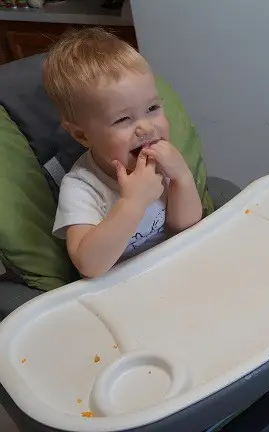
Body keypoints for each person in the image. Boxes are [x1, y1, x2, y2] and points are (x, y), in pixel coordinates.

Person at [43, 28, 203, 278]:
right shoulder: (82, 187)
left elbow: (184, 226)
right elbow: (89, 265)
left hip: (175, 268)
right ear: (82, 135)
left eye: (152, 107)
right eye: (123, 119)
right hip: (122, 290)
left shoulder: (162, 161)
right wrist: (132, 203)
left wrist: (182, 177)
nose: (146, 127)